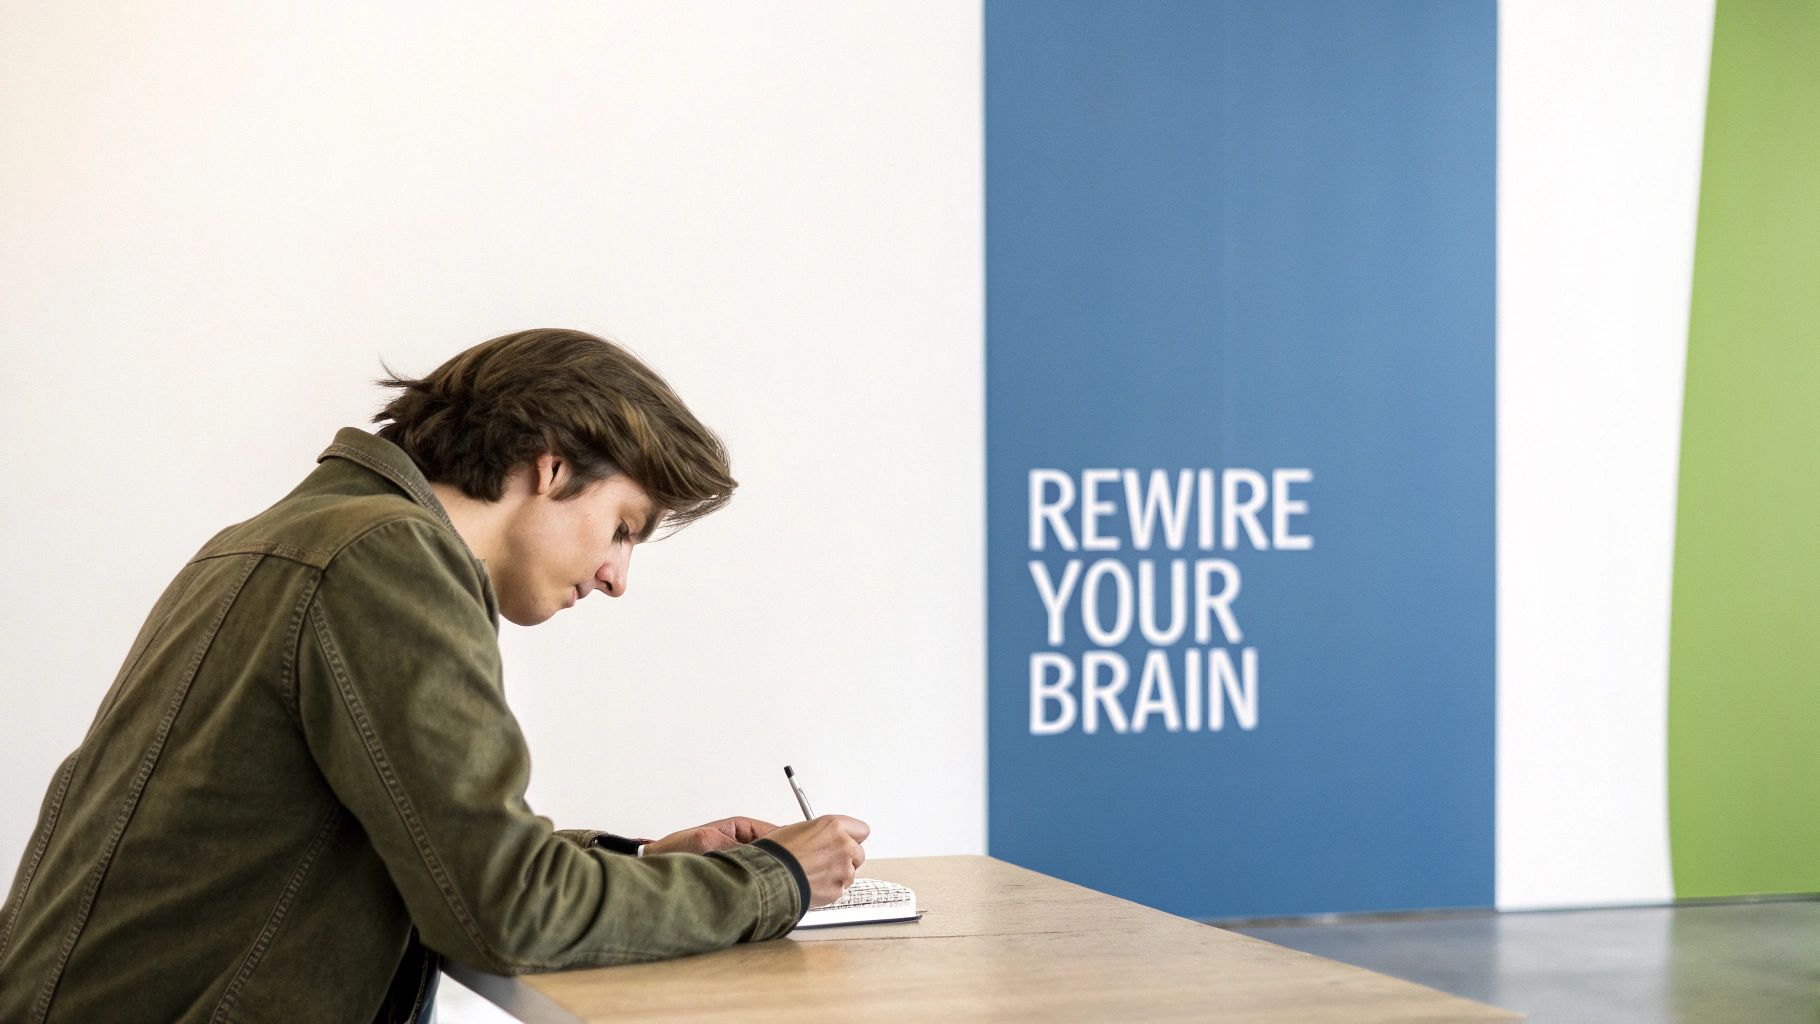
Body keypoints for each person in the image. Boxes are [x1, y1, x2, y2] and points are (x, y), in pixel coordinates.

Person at [0, 327, 870, 1023]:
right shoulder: (389, 560)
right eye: (624, 528)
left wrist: (646, 859)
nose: (617, 577)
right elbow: (506, 912)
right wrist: (775, 881)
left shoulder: (306, 534)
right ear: (553, 465)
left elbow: (430, 853)